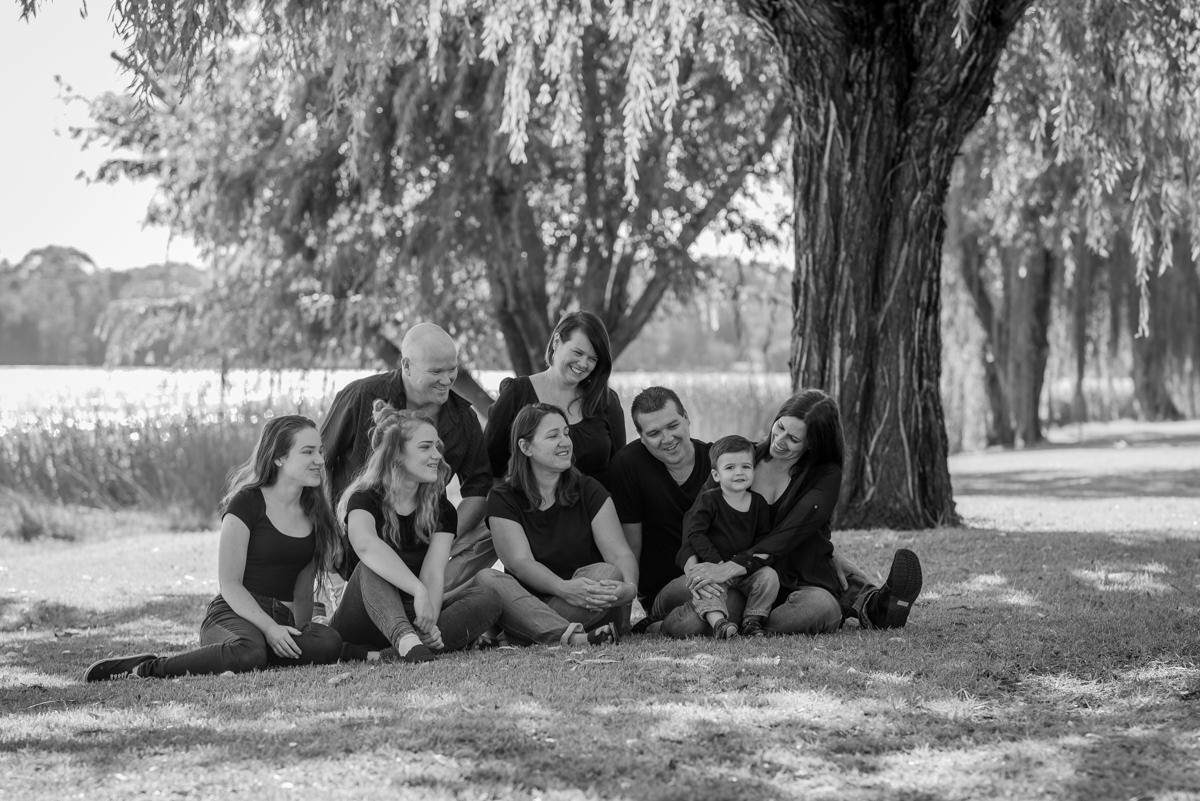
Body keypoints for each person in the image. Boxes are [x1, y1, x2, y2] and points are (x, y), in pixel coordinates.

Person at [84, 415, 343, 681]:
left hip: (281, 618)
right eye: (308, 452)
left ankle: (262, 653)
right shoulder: (247, 503)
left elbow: (302, 591)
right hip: (234, 614)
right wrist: (270, 629)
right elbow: (230, 584)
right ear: (279, 457)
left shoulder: (315, 513)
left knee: (328, 643)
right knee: (250, 652)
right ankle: (146, 668)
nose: (320, 461)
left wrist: (299, 635)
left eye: (320, 451)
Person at [662, 390, 923, 637]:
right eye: (780, 427)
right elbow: (694, 521)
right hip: (742, 579)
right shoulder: (740, 460)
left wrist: (727, 569)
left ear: (813, 444)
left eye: (794, 439)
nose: (780, 440)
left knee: (821, 608)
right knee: (693, 598)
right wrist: (699, 572)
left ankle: (751, 623)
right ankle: (869, 603)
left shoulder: (824, 475)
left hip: (794, 577)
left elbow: (790, 533)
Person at [321, 323, 493, 588]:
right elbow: (319, 465)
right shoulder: (362, 396)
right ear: (407, 366)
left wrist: (445, 539)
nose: (447, 380)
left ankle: (430, 594)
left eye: (452, 369)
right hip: (358, 539)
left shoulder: (463, 418)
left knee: (495, 527)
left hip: (423, 538)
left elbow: (478, 489)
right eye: (436, 371)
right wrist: (328, 532)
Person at [331, 402, 501, 662]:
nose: (437, 456)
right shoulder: (364, 499)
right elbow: (365, 545)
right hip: (364, 614)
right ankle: (405, 640)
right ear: (396, 454)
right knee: (373, 565)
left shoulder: (442, 509)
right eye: (425, 447)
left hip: (413, 613)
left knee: (487, 597)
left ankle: (391, 651)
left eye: (436, 446)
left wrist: (429, 617)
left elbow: (433, 571)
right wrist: (418, 590)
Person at [474, 403, 639, 645]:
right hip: (529, 603)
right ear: (525, 447)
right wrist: (563, 588)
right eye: (553, 436)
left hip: (589, 600)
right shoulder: (503, 497)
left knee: (608, 573)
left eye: (566, 433)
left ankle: (518, 637)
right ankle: (572, 637)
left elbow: (619, 553)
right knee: (486, 579)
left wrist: (630, 588)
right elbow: (520, 564)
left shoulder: (589, 489)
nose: (565, 441)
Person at [601, 386, 722, 626]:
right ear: (642, 437)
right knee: (703, 602)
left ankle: (670, 625)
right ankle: (660, 623)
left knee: (724, 595)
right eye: (654, 433)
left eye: (673, 426)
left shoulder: (717, 460)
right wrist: (623, 616)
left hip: (718, 574)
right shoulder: (628, 465)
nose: (667, 439)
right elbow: (630, 546)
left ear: (686, 418)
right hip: (665, 589)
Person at [484, 311, 625, 479]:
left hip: (599, 504)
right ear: (557, 342)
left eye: (592, 359)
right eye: (578, 353)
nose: (583, 364)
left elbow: (620, 470)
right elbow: (487, 467)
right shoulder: (516, 394)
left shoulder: (606, 401)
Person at [673, 435, 779, 639]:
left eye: (745, 467)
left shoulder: (759, 504)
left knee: (769, 577)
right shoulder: (709, 500)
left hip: (744, 570)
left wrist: (745, 564)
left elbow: (764, 541)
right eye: (730, 468)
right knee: (706, 587)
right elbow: (696, 533)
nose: (739, 472)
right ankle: (719, 624)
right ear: (716, 474)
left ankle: (752, 621)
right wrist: (717, 564)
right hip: (714, 567)